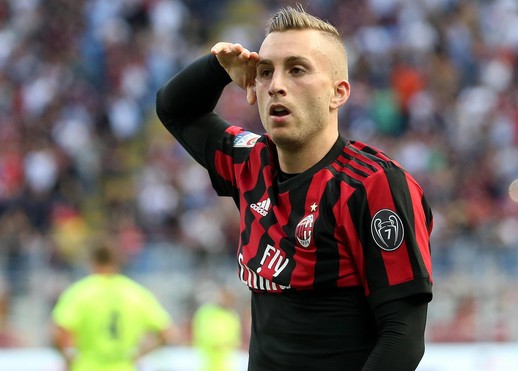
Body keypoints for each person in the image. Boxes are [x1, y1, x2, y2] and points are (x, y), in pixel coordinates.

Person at [156, 5, 433, 371]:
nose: (277, 85)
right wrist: (217, 69)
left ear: (339, 93)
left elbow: (403, 336)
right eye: (266, 72)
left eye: (297, 69)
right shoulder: (250, 162)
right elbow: (175, 109)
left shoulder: (373, 184)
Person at [51, 238, 176, 371]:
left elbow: (58, 333)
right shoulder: (136, 293)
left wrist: (69, 359)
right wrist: (139, 355)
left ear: (92, 262)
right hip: (124, 366)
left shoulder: (79, 292)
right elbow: (167, 333)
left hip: (87, 366)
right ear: (118, 262)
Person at [192, 285, 242, 371]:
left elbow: (235, 340)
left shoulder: (232, 316)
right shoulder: (205, 312)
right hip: (206, 364)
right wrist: (219, 343)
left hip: (226, 366)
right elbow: (201, 334)